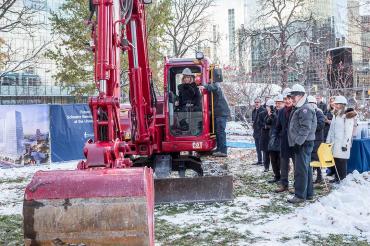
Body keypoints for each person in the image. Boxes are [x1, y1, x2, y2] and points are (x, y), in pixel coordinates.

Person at [287, 84, 317, 204]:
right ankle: (308, 193)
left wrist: (298, 143)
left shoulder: (305, 109)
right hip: (304, 142)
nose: (292, 98)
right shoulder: (301, 107)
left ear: (301, 95)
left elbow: (305, 128)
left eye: (294, 95)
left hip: (303, 143)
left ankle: (300, 195)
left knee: (301, 170)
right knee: (306, 169)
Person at [326, 96, 357, 181]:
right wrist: (328, 141)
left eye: (337, 104)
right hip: (335, 143)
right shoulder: (336, 115)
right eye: (335, 104)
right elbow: (331, 130)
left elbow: (348, 132)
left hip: (342, 144)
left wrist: (345, 144)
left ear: (342, 105)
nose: (335, 105)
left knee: (341, 162)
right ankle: (337, 178)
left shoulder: (347, 116)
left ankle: (342, 180)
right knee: (336, 161)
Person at [202, 82, 231, 157]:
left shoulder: (216, 85)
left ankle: (223, 151)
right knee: (217, 132)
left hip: (221, 113)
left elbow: (212, 87)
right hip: (217, 112)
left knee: (221, 132)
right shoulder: (214, 89)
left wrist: (204, 85)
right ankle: (219, 149)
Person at [274, 88, 295, 193]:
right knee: (284, 164)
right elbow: (278, 126)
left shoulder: (296, 109)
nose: (287, 101)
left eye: (289, 99)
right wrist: (278, 136)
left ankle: (296, 185)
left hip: (295, 142)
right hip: (284, 141)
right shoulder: (281, 111)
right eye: (285, 99)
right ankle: (284, 185)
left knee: (297, 164)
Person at [307, 95, 326, 184]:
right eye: (309, 103)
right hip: (310, 138)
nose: (310, 105)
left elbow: (321, 124)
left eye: (312, 103)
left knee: (316, 158)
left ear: (315, 104)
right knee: (311, 158)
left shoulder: (319, 112)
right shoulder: (308, 112)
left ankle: (319, 176)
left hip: (317, 139)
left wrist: (310, 127)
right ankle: (311, 175)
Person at [267, 95, 283, 183]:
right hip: (272, 138)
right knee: (273, 159)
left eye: (279, 103)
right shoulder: (273, 112)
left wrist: (274, 116)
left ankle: (282, 177)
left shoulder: (284, 112)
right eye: (276, 103)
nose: (277, 105)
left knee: (281, 160)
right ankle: (276, 176)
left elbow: (279, 123)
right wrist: (269, 115)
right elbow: (267, 122)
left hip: (280, 138)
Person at [260, 99, 275, 172]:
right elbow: (259, 124)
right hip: (265, 135)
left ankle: (274, 167)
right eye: (268, 106)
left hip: (272, 135)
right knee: (265, 152)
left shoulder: (275, 113)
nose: (269, 108)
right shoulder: (262, 114)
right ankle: (266, 167)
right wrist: (266, 126)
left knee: (273, 152)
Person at [252, 98, 265, 165]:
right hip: (256, 132)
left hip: (262, 132)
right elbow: (253, 121)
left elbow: (265, 122)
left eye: (258, 102)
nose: (256, 103)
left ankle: (264, 161)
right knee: (257, 148)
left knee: (262, 147)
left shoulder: (263, 110)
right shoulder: (254, 111)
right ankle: (259, 160)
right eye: (255, 102)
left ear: (260, 103)